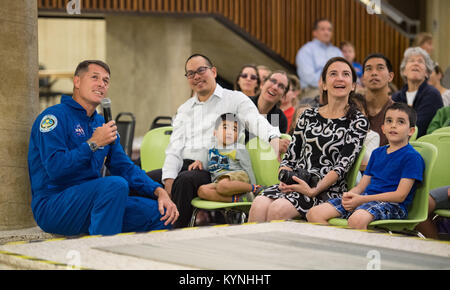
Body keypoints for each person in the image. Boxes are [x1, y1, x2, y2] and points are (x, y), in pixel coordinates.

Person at [28, 60, 178, 236]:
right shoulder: (53, 118)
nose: (101, 84)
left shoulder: (101, 122)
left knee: (160, 213)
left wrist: (158, 191)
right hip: (55, 205)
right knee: (115, 185)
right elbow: (56, 169)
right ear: (77, 81)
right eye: (95, 77)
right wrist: (93, 143)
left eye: (106, 81)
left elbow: (124, 167)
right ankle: (100, 255)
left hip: (97, 202)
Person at [146, 54, 289, 228]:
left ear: (213, 71)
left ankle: (176, 233)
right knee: (145, 180)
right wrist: (168, 180)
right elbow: (174, 149)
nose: (196, 76)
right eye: (191, 74)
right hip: (185, 165)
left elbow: (256, 121)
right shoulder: (184, 109)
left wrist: (274, 137)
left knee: (184, 181)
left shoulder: (235, 99)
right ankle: (149, 227)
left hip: (215, 167)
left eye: (201, 70)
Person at [248, 57, 369, 222]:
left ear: (353, 85)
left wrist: (313, 190)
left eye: (346, 74)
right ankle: (253, 249)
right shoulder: (308, 115)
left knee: (278, 208)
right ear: (324, 84)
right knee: (259, 203)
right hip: (297, 182)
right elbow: (290, 157)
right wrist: (285, 175)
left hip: (326, 190)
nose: (340, 78)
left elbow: (342, 166)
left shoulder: (358, 121)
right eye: (333, 74)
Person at [307, 103, 425, 230]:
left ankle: (355, 248)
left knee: (357, 219)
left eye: (400, 122)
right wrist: (350, 196)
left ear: (411, 131)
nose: (393, 125)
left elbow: (400, 195)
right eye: (389, 121)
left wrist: (362, 199)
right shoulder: (377, 153)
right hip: (365, 199)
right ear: (383, 128)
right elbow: (361, 186)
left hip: (393, 205)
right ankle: (337, 246)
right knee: (314, 214)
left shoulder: (412, 157)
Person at [195, 113, 260, 203]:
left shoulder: (238, 148)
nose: (230, 132)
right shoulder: (210, 149)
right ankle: (239, 199)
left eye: (234, 129)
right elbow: (207, 166)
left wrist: (253, 184)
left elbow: (248, 168)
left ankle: (255, 189)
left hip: (237, 176)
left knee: (222, 186)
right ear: (215, 132)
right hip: (220, 181)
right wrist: (199, 162)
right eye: (225, 127)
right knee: (202, 191)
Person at [392, 47, 443, 138]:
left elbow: (419, 127)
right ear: (404, 71)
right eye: (411, 61)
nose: (416, 63)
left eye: (420, 61)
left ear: (427, 72)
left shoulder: (432, 94)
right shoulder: (396, 97)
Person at [296, 19, 343, 99]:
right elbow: (309, 78)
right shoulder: (306, 50)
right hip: (313, 90)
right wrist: (330, 85)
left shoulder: (337, 51)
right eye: (323, 29)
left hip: (337, 89)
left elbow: (345, 72)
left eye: (329, 30)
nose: (326, 32)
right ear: (314, 33)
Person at [362, 53, 395, 146]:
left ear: (390, 76)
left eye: (380, 68)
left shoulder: (398, 112)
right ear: (363, 78)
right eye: (368, 69)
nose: (374, 73)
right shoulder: (352, 109)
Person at [247, 70, 290, 138]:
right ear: (262, 84)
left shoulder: (279, 119)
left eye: (281, 86)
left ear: (283, 96)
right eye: (273, 81)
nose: (275, 87)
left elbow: (274, 147)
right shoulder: (243, 103)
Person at [352, 93, 380, 171]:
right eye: (350, 111)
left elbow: (368, 162)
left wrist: (356, 135)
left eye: (358, 110)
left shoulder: (373, 136)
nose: (355, 115)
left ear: (366, 114)